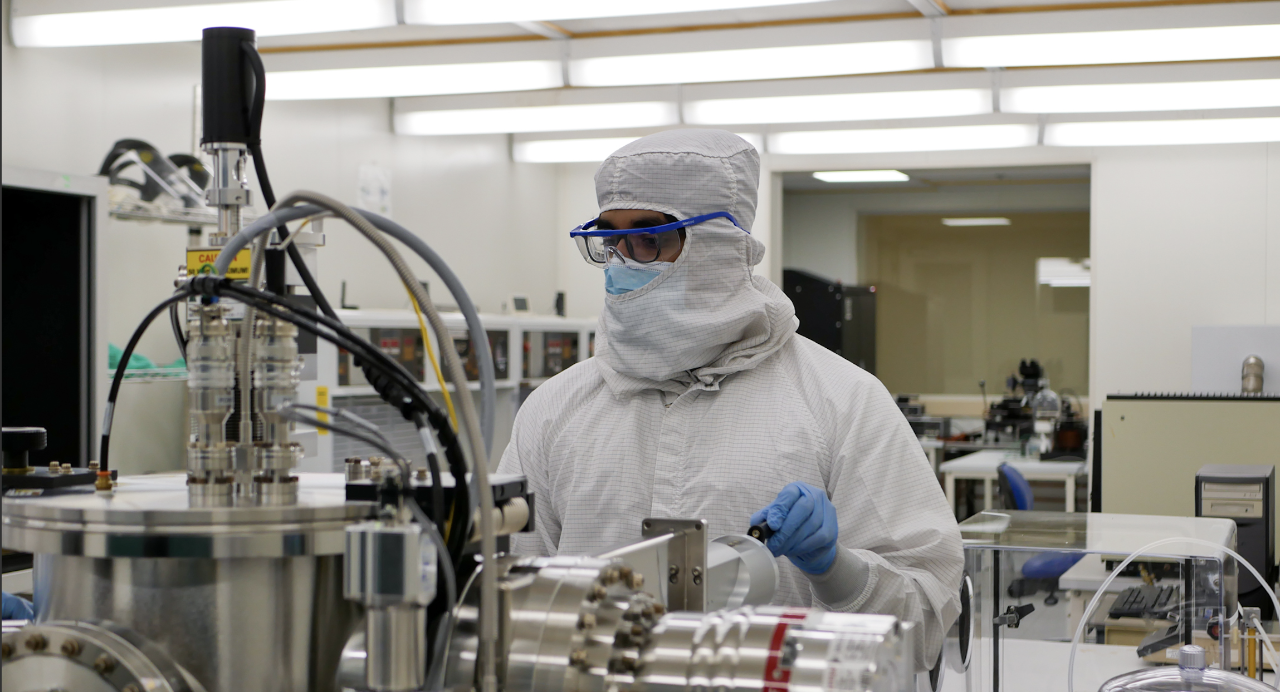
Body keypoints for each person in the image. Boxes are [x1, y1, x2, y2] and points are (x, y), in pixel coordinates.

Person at [497, 129, 963, 670]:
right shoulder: (555, 411)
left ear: (722, 244)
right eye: (612, 241)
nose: (626, 262)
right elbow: (511, 600)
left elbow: (928, 621)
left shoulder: (841, 402)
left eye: (650, 238)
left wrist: (835, 569)